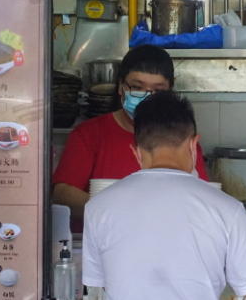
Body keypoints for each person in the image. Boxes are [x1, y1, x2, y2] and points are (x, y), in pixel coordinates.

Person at [82, 91, 246, 300]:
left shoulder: (98, 208)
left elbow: (105, 283)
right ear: (193, 145)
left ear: (136, 151)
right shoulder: (225, 208)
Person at [52, 45, 209, 218]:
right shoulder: (89, 135)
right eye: (137, 87)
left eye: (158, 90)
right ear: (121, 87)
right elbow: (62, 193)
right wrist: (114, 213)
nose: (146, 97)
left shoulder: (182, 140)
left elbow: (200, 197)